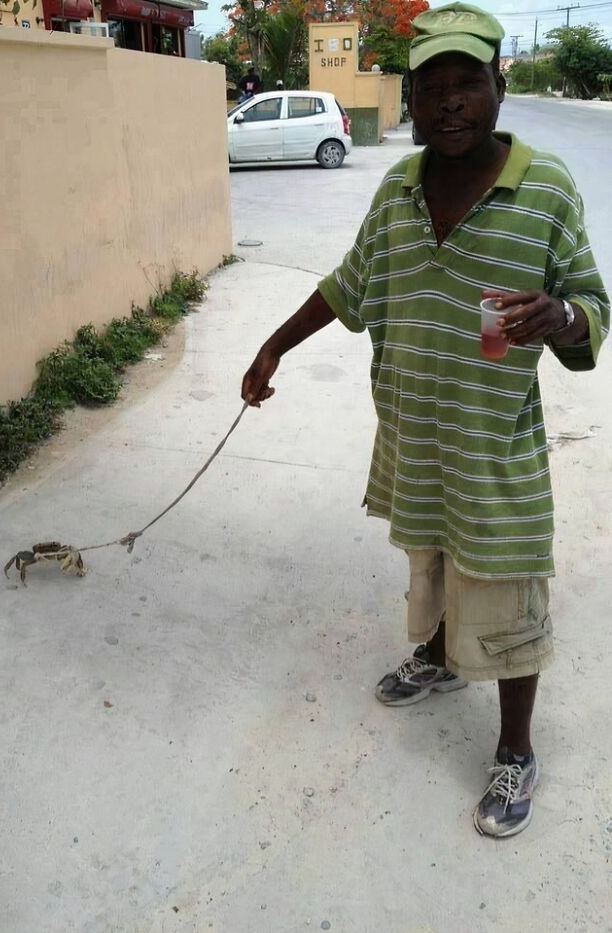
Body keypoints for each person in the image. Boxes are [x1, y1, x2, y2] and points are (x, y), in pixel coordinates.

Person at [240, 1, 609, 838]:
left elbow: (592, 300)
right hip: (416, 436)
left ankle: (515, 749)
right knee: (434, 560)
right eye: (432, 87)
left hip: (495, 447)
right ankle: (440, 658)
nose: (450, 102)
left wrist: (565, 319)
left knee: (508, 590)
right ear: (411, 100)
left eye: (467, 83)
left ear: (499, 88)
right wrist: (272, 347)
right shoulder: (397, 187)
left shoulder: (545, 187)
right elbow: (347, 284)